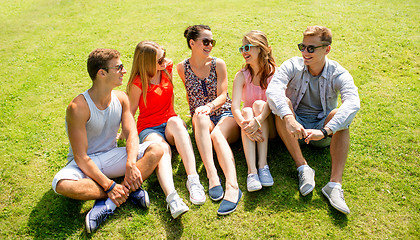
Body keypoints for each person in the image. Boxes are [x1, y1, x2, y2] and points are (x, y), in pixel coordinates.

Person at [52, 48, 165, 233]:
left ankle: (109, 203)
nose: (124, 71)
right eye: (118, 67)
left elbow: (132, 134)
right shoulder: (78, 107)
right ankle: (123, 193)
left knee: (157, 149)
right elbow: (80, 157)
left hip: (112, 156)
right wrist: (109, 185)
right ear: (102, 73)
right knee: (61, 184)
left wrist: (130, 163)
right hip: (85, 164)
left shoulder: (121, 98)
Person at [266, 26, 360, 214]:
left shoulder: (338, 72)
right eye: (302, 46)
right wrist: (290, 118)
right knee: (281, 105)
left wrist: (325, 131)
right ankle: (303, 167)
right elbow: (273, 90)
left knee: (341, 116)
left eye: (311, 48)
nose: (304, 52)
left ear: (327, 49)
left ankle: (334, 185)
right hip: (294, 128)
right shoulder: (292, 65)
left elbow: (353, 102)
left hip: (322, 130)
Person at [125, 41, 205, 217]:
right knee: (163, 150)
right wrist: (126, 135)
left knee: (176, 123)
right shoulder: (137, 83)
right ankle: (172, 198)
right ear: (146, 63)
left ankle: (193, 180)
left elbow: (172, 95)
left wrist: (174, 115)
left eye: (163, 55)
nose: (164, 61)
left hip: (169, 122)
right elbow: (129, 113)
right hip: (149, 127)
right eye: (159, 59)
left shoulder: (166, 67)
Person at [176, 25, 241, 215]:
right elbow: (189, 93)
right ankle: (212, 176)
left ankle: (232, 186)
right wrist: (197, 112)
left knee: (217, 135)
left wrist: (209, 106)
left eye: (212, 41)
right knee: (201, 119)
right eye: (205, 41)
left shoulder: (218, 63)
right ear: (192, 43)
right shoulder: (182, 67)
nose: (210, 45)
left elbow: (223, 95)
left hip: (224, 112)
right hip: (202, 116)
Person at [231, 30, 277, 192]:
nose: (244, 52)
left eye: (248, 47)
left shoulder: (273, 73)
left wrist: (257, 121)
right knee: (247, 111)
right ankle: (252, 172)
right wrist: (245, 125)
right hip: (249, 126)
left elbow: (274, 103)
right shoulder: (241, 75)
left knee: (258, 105)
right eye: (242, 48)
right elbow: (235, 106)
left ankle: (263, 165)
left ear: (260, 49)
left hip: (270, 126)